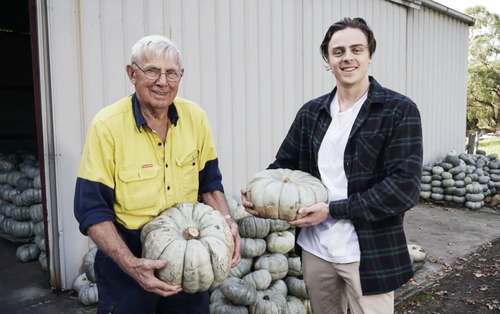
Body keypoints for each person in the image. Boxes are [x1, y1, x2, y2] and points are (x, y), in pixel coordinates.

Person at [242, 17, 423, 314]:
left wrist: (332, 210)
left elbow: (404, 188)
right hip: (317, 250)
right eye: (338, 52)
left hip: (368, 252)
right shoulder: (312, 112)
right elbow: (284, 165)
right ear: (328, 60)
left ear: (370, 55)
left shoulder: (398, 110)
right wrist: (260, 194)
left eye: (356, 49)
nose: (347, 58)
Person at [74, 35, 242, 314]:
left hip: (188, 264)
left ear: (181, 76)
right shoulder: (107, 126)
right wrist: (131, 265)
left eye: (171, 73)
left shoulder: (195, 118)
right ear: (132, 73)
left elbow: (210, 182)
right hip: (129, 263)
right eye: (152, 70)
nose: (162, 82)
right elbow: (91, 209)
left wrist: (226, 221)